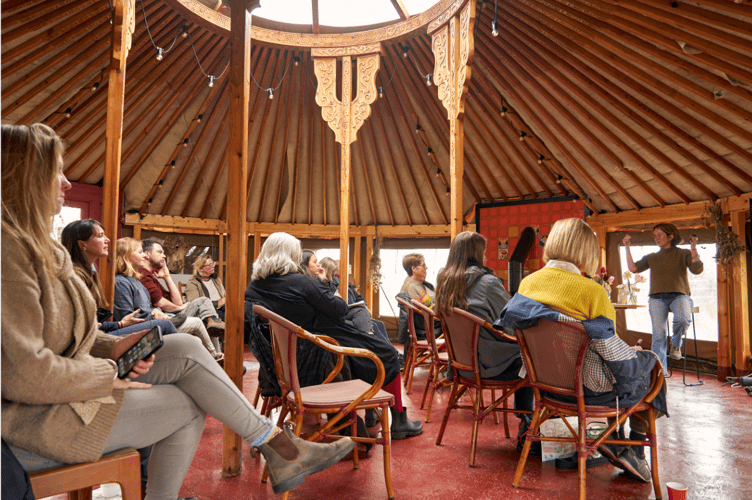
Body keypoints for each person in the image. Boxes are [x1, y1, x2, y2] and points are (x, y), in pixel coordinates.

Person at [1, 123, 355, 500]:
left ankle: (278, 447)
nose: (66, 183)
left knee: (184, 345)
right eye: (55, 171)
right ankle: (279, 450)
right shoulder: (9, 253)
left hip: (65, 392)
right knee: (188, 405)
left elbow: (64, 335)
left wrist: (111, 347)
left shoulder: (43, 247)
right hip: (33, 421)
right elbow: (23, 375)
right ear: (25, 176)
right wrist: (107, 372)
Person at [496, 218, 668, 483]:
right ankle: (632, 448)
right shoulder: (593, 291)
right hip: (587, 390)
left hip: (543, 386)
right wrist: (634, 353)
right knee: (652, 370)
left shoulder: (528, 284)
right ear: (587, 251)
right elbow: (609, 348)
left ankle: (609, 438)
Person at [245, 233, 423, 439]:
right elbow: (340, 310)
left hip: (282, 364)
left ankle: (371, 416)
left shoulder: (254, 287)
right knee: (387, 354)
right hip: (318, 354)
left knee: (372, 339)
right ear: (291, 256)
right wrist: (324, 282)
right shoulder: (301, 282)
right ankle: (398, 420)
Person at [434, 231, 533, 432]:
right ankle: (528, 422)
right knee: (534, 359)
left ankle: (528, 420)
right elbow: (510, 322)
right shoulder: (488, 283)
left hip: (461, 365)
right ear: (478, 254)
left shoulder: (445, 281)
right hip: (490, 364)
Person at [114, 237, 224, 363]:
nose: (143, 255)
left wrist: (166, 276)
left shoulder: (135, 280)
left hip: (162, 318)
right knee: (198, 321)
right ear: (127, 256)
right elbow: (127, 318)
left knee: (206, 320)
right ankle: (215, 359)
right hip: (152, 326)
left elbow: (168, 304)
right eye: (140, 252)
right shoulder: (122, 282)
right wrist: (155, 313)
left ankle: (216, 355)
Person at [61, 219, 177, 337]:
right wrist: (120, 324)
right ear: (82, 244)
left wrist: (155, 311)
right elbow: (84, 325)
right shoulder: (76, 276)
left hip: (103, 331)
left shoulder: (91, 274)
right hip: (91, 338)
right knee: (166, 325)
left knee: (181, 330)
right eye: (101, 236)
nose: (108, 240)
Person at [623, 224, 703, 374]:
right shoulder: (652, 257)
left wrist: (694, 247)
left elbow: (697, 269)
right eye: (655, 235)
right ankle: (660, 373)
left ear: (670, 236)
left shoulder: (683, 253)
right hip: (656, 298)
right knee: (658, 334)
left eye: (660, 235)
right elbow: (633, 268)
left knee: (683, 319)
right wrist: (627, 246)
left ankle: (676, 344)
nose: (656, 238)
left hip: (679, 295)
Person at [140, 238, 225, 338]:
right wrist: (179, 308)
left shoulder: (216, 279)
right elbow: (161, 302)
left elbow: (177, 302)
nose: (164, 255)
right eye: (159, 252)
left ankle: (214, 329)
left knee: (215, 321)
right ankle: (214, 332)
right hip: (167, 317)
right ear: (147, 254)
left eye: (213, 264)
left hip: (182, 313)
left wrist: (167, 276)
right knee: (204, 303)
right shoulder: (142, 274)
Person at [185, 254, 226, 321]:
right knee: (228, 317)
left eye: (213, 264)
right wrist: (217, 303)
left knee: (240, 312)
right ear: (201, 268)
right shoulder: (192, 282)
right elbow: (195, 304)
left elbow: (224, 295)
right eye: (210, 265)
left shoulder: (216, 279)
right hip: (208, 311)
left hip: (223, 307)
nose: (213, 266)